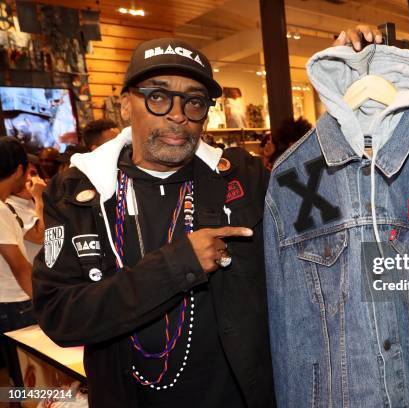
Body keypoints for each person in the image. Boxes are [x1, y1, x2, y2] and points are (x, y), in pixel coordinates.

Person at [32, 38, 274, 408]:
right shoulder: (78, 193)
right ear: (126, 105)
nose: (178, 115)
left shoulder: (243, 178)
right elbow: (61, 317)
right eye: (158, 97)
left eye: (194, 102)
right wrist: (180, 265)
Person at [0, 137, 45, 387]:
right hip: (14, 304)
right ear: (19, 169)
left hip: (9, 302)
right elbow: (18, 265)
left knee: (19, 377)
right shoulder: (1, 209)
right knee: (31, 380)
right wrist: (42, 303)